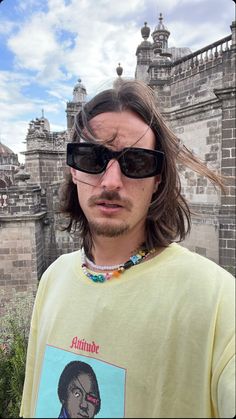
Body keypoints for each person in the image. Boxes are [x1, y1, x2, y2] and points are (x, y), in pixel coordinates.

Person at [20, 79, 235, 418]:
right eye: (92, 158)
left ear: (158, 178)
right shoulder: (53, 278)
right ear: (73, 170)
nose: (110, 181)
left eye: (136, 162)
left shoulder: (220, 300)